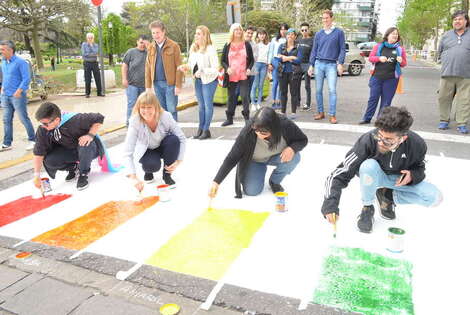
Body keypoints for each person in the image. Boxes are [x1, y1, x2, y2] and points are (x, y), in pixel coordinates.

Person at [321, 107, 442, 233]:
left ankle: (388, 196)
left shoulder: (417, 144)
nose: (381, 142)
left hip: (397, 181)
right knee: (368, 166)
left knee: (434, 197)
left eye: (388, 140)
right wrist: (330, 205)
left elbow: (420, 167)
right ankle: (367, 208)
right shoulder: (368, 140)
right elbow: (340, 173)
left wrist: (413, 175)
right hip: (374, 178)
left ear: (403, 138)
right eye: (380, 136)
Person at [210, 107, 307, 199]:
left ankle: (274, 181)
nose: (259, 135)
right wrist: (216, 182)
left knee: (295, 157)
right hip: (255, 160)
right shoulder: (248, 132)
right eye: (256, 131)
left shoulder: (285, 124)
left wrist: (292, 148)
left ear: (274, 128)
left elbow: (303, 140)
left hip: (276, 156)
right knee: (252, 191)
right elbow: (232, 157)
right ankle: (257, 171)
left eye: (264, 133)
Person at [32, 102, 105, 190]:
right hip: (71, 150)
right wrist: (36, 175)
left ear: (57, 120)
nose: (43, 126)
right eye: (41, 123)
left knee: (84, 144)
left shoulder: (75, 120)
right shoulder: (43, 129)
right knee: (49, 160)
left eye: (45, 124)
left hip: (90, 149)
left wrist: (90, 135)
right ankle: (74, 168)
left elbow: (99, 117)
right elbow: (39, 152)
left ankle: (83, 173)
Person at [123, 91, 186, 191]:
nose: (146, 111)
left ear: (156, 107)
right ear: (138, 108)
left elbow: (182, 138)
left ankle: (167, 175)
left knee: (174, 140)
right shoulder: (135, 121)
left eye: (149, 107)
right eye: (143, 107)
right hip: (146, 150)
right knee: (152, 166)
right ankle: (148, 171)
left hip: (162, 146)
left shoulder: (166, 116)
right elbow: (127, 152)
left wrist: (178, 160)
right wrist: (133, 177)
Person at [178, 25, 219, 140]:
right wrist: (184, 67)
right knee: (201, 106)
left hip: (209, 81)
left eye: (199, 33)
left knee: (207, 105)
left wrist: (202, 71)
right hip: (198, 80)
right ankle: (200, 129)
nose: (196, 35)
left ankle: (206, 130)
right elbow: (191, 65)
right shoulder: (194, 49)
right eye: (195, 33)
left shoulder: (210, 49)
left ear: (205, 35)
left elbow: (216, 68)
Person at [359, 27, 407, 124]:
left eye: (396, 34)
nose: (395, 35)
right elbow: (371, 58)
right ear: (387, 35)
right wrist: (379, 58)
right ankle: (367, 118)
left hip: (392, 79)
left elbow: (404, 64)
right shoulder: (379, 46)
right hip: (377, 77)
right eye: (393, 33)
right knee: (373, 98)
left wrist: (401, 61)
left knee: (386, 102)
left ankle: (380, 121)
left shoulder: (400, 49)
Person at [308, 10, 346, 124]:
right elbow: (314, 50)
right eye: (323, 18)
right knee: (318, 90)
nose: (325, 20)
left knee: (332, 90)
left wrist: (340, 63)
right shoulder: (319, 34)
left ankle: (332, 115)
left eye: (327, 18)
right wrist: (311, 65)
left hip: (331, 65)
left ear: (331, 18)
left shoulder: (339, 32)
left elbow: (342, 49)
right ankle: (320, 112)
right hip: (319, 64)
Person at [437, 10, 470, 134]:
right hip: (447, 73)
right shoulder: (446, 35)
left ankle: (462, 123)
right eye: (455, 19)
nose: (457, 21)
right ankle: (444, 120)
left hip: (466, 74)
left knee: (465, 100)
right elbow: (439, 51)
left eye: (460, 19)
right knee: (443, 97)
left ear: (466, 21)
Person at [0, 40, 35, 151]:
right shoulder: (3, 62)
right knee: (6, 120)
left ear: (10, 50)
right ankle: (7, 143)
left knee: (23, 118)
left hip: (17, 96)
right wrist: (2, 89)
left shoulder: (21, 62)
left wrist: (19, 91)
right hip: (5, 96)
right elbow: (4, 77)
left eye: (2, 49)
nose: (1, 52)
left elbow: (26, 78)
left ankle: (33, 140)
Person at [145, 20, 183, 121]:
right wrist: (148, 86)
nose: (155, 35)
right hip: (157, 84)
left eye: (157, 32)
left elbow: (180, 67)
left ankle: (174, 133)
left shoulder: (174, 46)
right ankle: (166, 133)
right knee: (161, 111)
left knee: (171, 110)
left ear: (163, 32)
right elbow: (148, 68)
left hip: (170, 84)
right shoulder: (151, 48)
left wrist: (178, 85)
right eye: (153, 33)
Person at [220, 23, 254, 127]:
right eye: (236, 30)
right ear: (232, 32)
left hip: (243, 75)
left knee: (244, 96)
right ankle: (229, 118)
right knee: (232, 97)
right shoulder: (227, 44)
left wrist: (249, 68)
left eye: (240, 29)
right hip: (231, 76)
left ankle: (247, 118)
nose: (238, 31)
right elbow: (222, 61)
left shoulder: (246, 44)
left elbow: (252, 60)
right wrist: (227, 68)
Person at [122, 34, 150, 126]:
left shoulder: (149, 53)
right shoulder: (131, 52)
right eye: (141, 42)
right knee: (132, 104)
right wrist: (124, 79)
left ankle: (141, 123)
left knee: (143, 105)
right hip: (132, 84)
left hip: (144, 85)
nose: (142, 45)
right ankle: (129, 123)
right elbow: (124, 66)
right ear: (137, 42)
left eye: (144, 43)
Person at [277, 28, 303, 119]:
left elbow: (299, 60)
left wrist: (286, 58)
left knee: (294, 93)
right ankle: (283, 112)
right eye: (288, 34)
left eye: (292, 34)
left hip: (294, 72)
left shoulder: (299, 47)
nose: (290, 36)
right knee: (283, 92)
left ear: (295, 36)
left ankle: (293, 112)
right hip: (282, 72)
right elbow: (278, 58)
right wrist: (292, 57)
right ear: (286, 36)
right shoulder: (281, 46)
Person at [268, 23, 288, 110]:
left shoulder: (288, 39)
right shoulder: (274, 40)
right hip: (275, 61)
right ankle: (274, 101)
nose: (283, 31)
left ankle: (279, 100)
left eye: (285, 29)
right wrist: (269, 63)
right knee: (276, 82)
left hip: (283, 62)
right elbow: (271, 52)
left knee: (281, 83)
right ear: (279, 31)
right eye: (281, 29)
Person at [250, 28, 270, 111]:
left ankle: (258, 103)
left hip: (264, 65)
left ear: (265, 35)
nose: (262, 35)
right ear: (257, 35)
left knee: (261, 85)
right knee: (254, 85)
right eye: (260, 34)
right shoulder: (254, 43)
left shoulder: (268, 44)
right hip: (256, 65)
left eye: (263, 34)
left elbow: (269, 55)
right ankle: (253, 103)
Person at [81, 33, 103, 98]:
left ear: (93, 38)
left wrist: (91, 46)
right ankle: (87, 93)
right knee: (87, 78)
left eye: (91, 38)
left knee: (98, 78)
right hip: (87, 63)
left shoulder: (96, 45)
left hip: (95, 63)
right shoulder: (84, 44)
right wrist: (92, 54)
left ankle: (99, 92)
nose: (90, 39)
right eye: (89, 38)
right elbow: (84, 54)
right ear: (86, 38)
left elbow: (96, 52)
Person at [298, 23, 314, 111]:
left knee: (307, 85)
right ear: (300, 31)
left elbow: (313, 53)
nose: (304, 31)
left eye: (306, 30)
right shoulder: (298, 40)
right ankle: (297, 102)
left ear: (308, 30)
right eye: (302, 30)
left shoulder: (312, 40)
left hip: (307, 64)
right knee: (296, 84)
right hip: (298, 65)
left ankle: (308, 103)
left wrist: (312, 65)